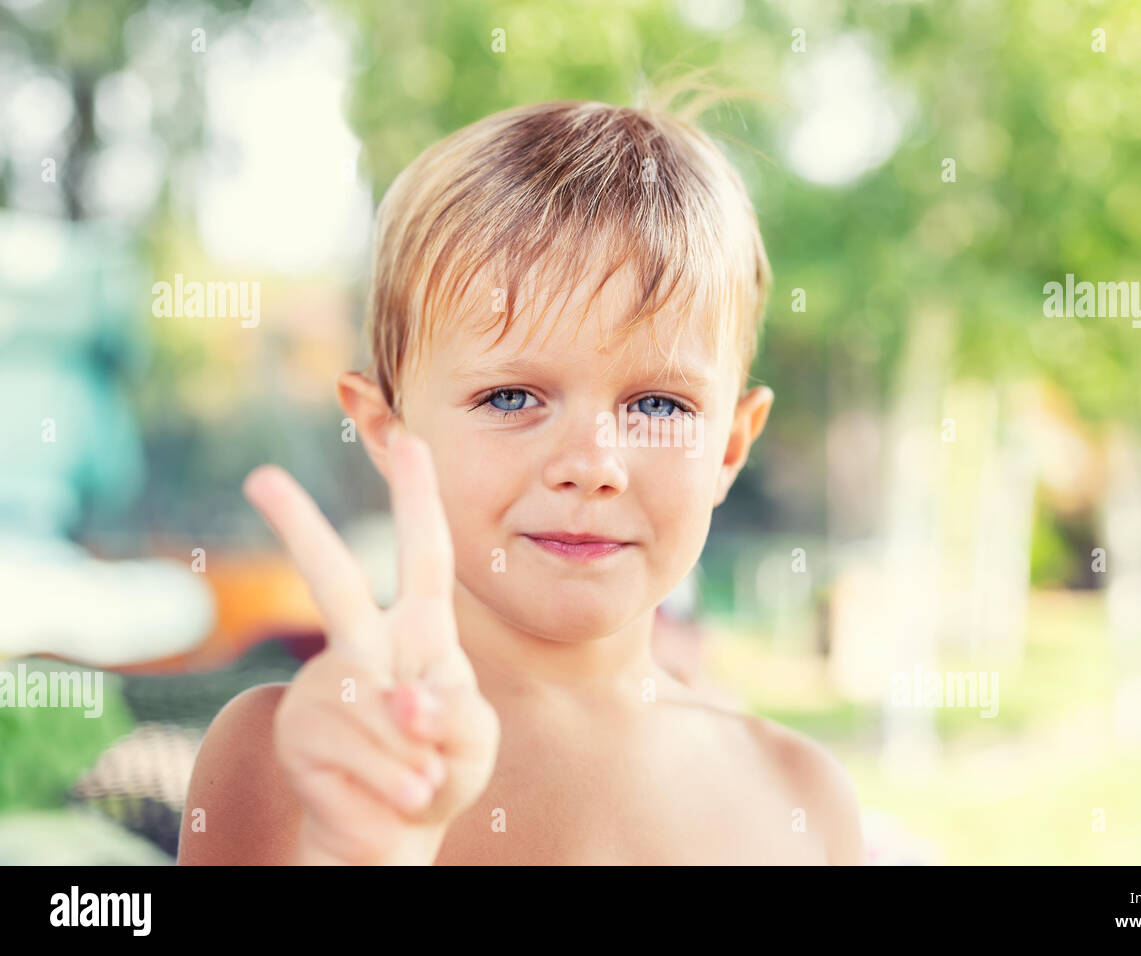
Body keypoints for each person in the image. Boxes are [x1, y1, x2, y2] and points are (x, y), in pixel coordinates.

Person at [179, 99, 866, 865]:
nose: (591, 465)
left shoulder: (803, 800)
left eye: (659, 404)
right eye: (511, 397)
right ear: (385, 428)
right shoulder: (294, 759)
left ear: (730, 447)